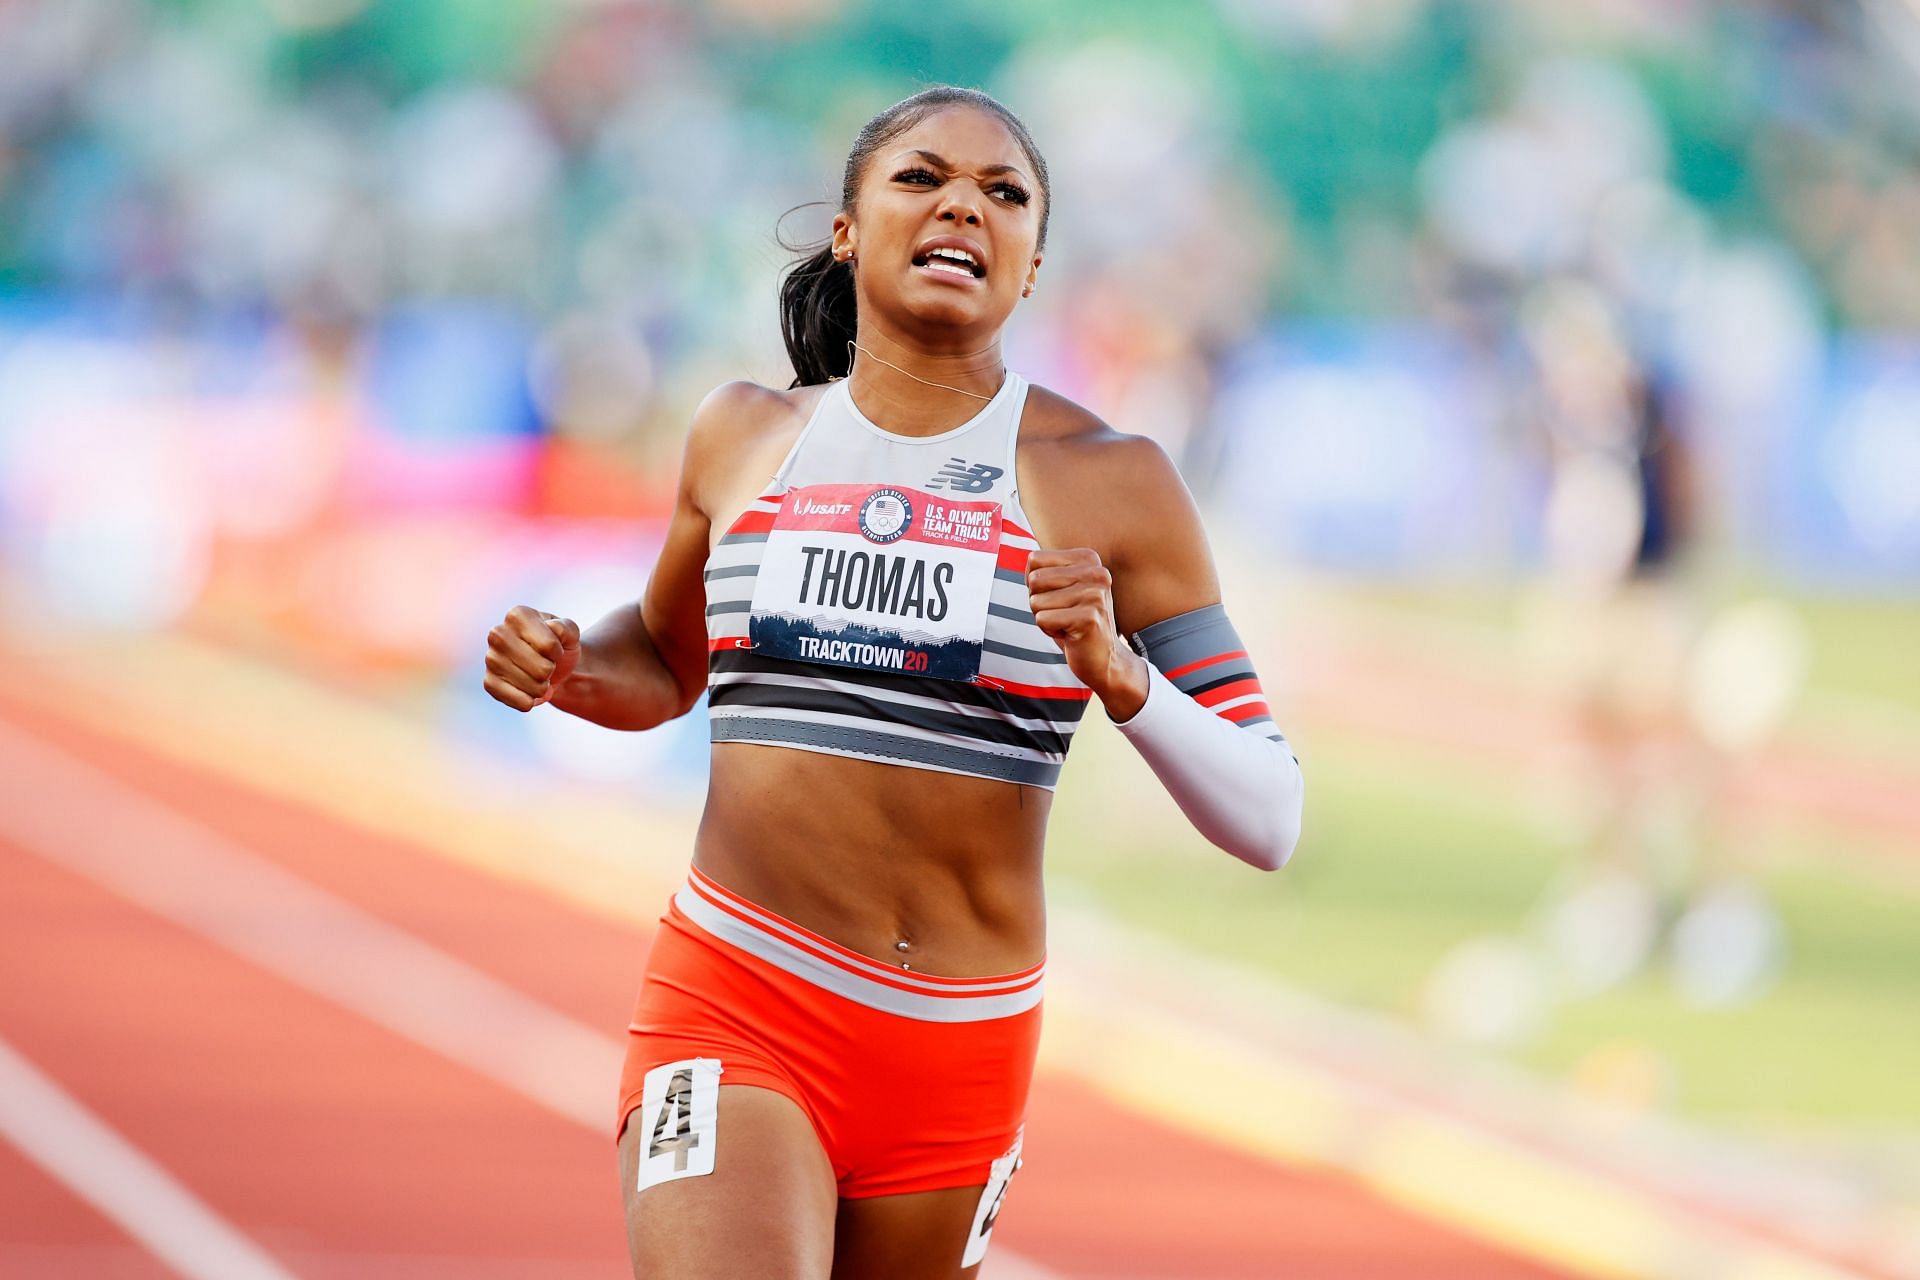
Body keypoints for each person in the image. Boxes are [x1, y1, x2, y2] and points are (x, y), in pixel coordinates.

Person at [483, 85, 1303, 1280]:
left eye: (1004, 193)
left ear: (1031, 268)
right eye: (921, 178)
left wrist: (1124, 678)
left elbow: (1269, 815)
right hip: (739, 995)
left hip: (960, 1052)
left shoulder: (1112, 481)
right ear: (850, 230)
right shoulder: (745, 434)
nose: (963, 204)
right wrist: (565, 665)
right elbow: (663, 661)